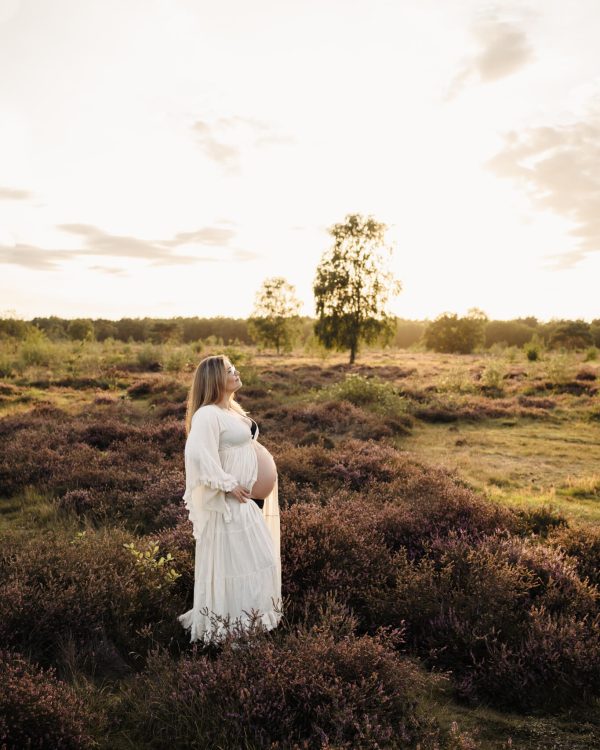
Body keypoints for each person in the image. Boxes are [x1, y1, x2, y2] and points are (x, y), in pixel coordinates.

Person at [177, 354, 282, 645]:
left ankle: (251, 622)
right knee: (238, 566)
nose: (236, 372)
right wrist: (227, 484)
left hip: (247, 503)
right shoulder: (207, 414)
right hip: (230, 507)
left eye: (234, 367)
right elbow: (197, 454)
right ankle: (231, 630)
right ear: (214, 380)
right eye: (229, 370)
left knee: (258, 560)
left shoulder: (232, 409)